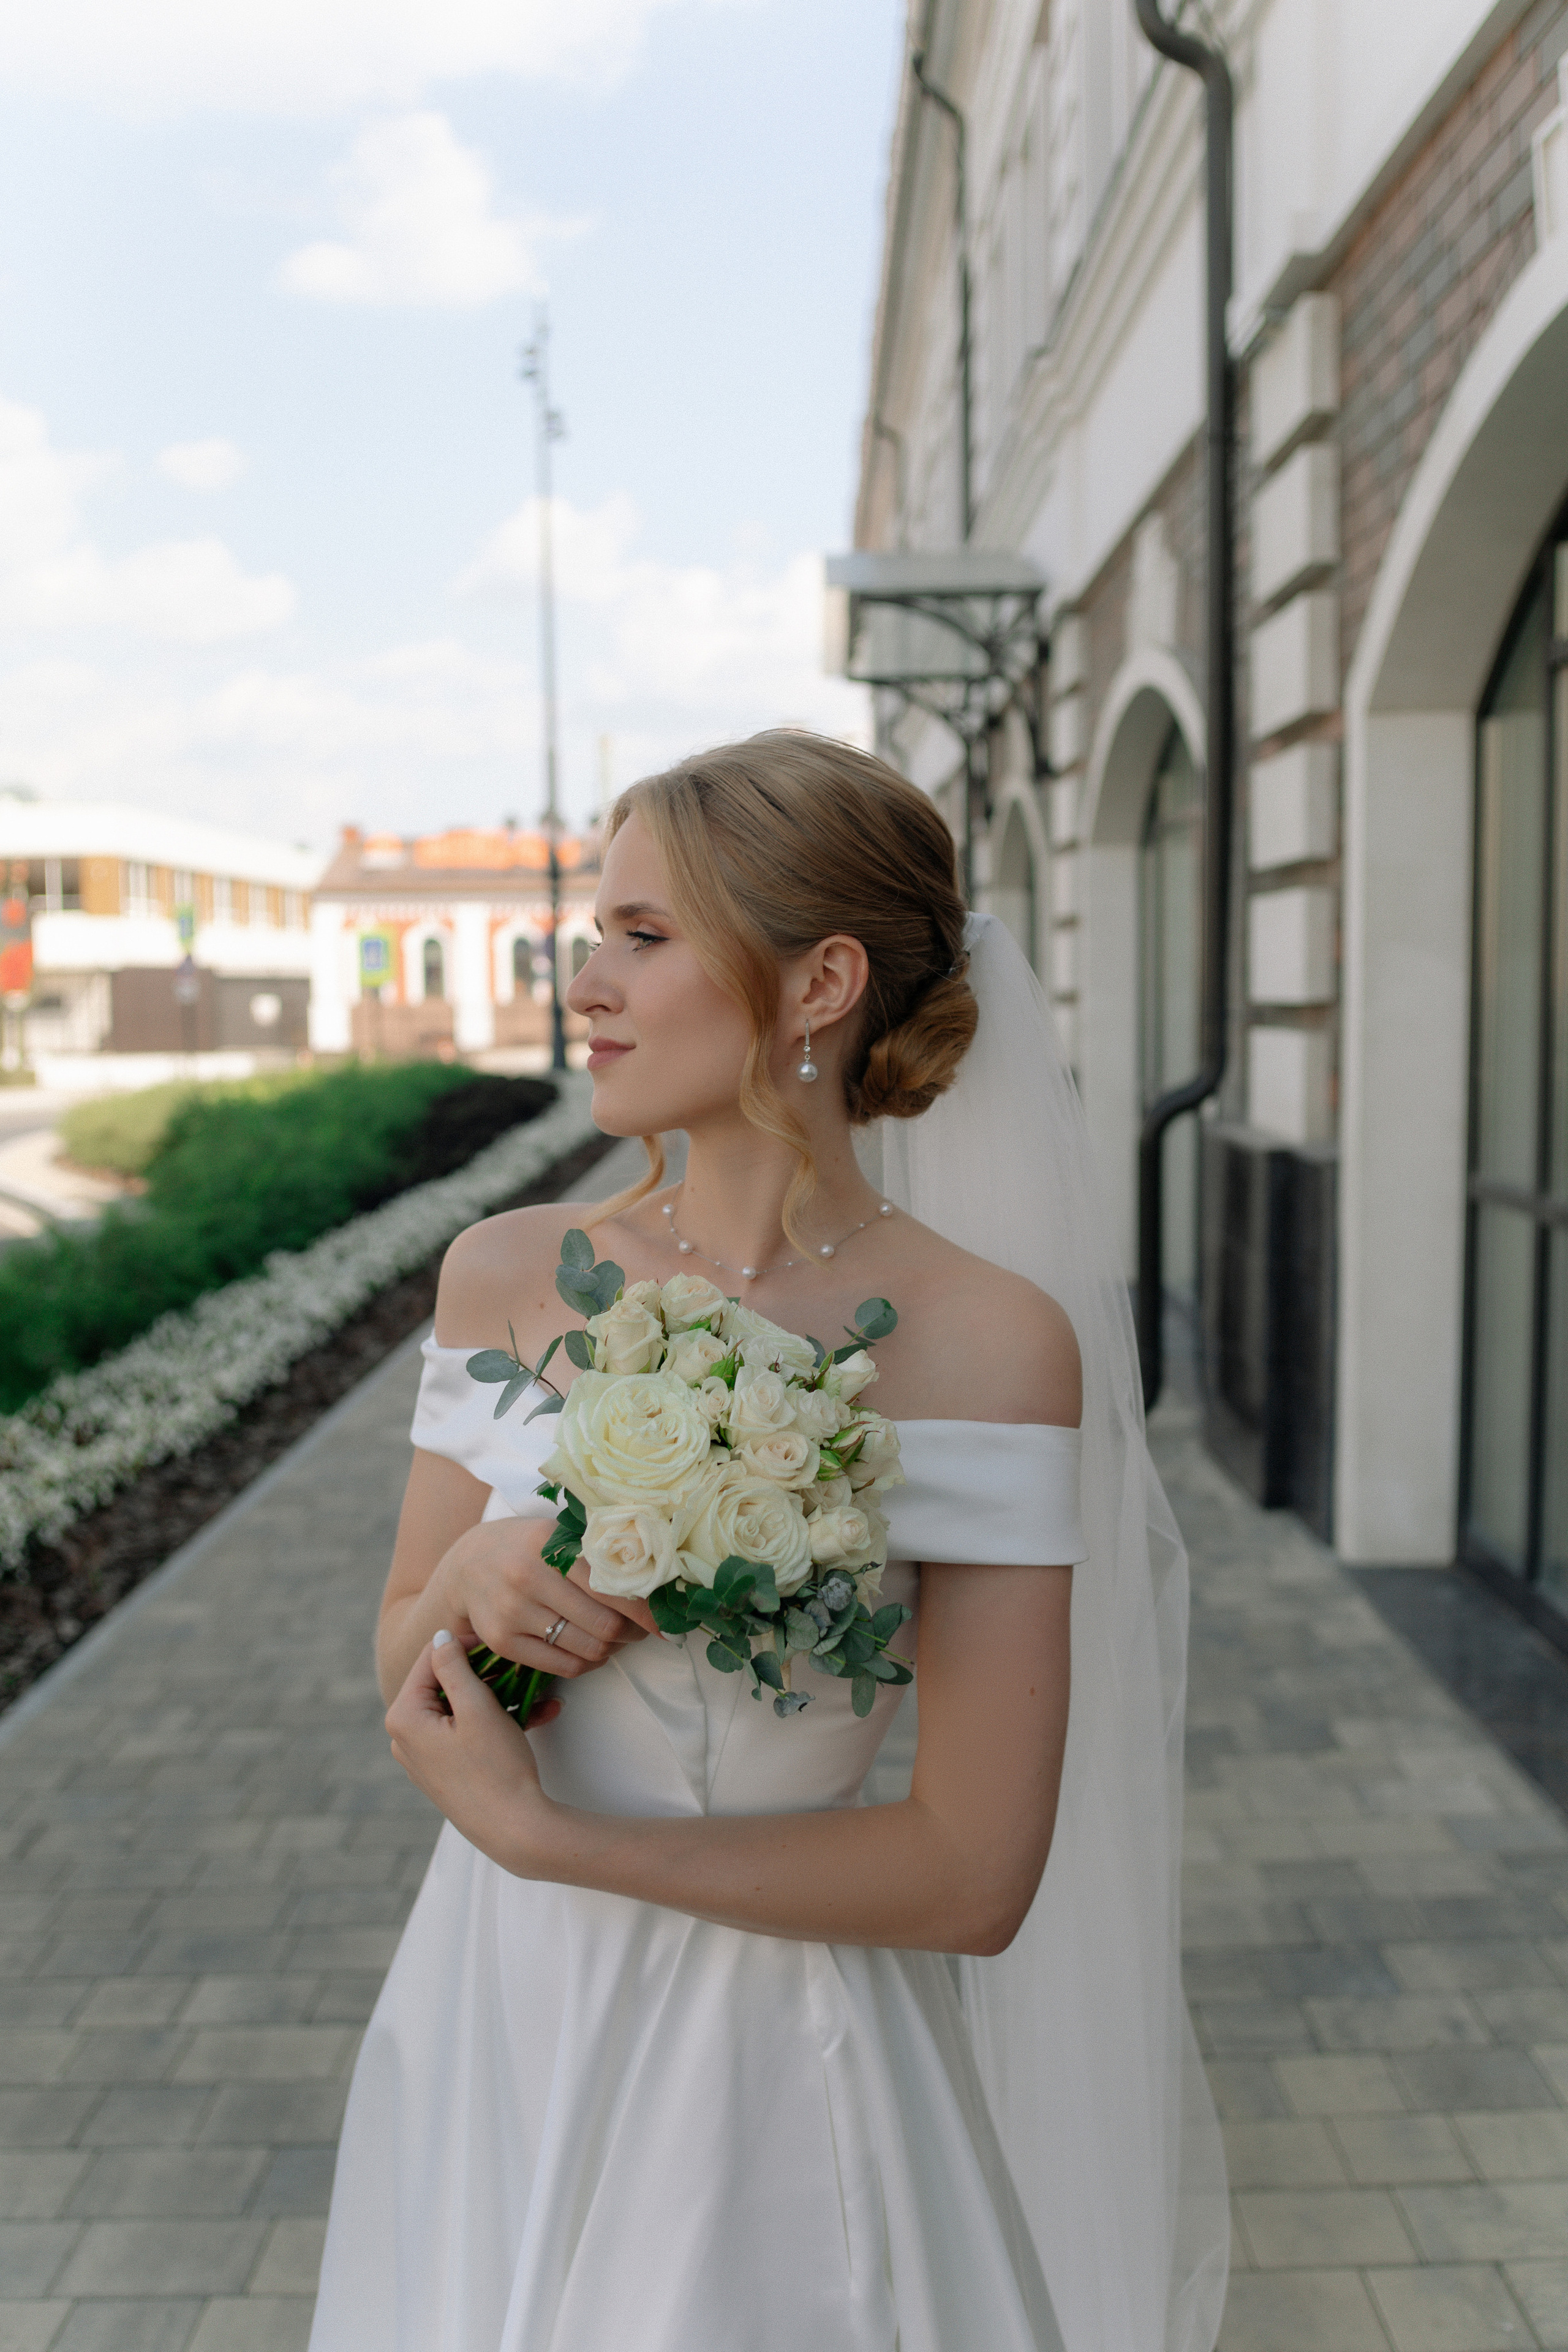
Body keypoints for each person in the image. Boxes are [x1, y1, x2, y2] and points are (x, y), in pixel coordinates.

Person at [308, 731, 1227, 2352]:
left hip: (778, 2062)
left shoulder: (987, 1342)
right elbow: (398, 1659)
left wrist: (562, 1847)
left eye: (642, 936)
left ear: (822, 983)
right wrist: (462, 1590)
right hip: (495, 2017)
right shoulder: (504, 1277)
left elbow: (972, 1873)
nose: (583, 979)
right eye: (594, 931)